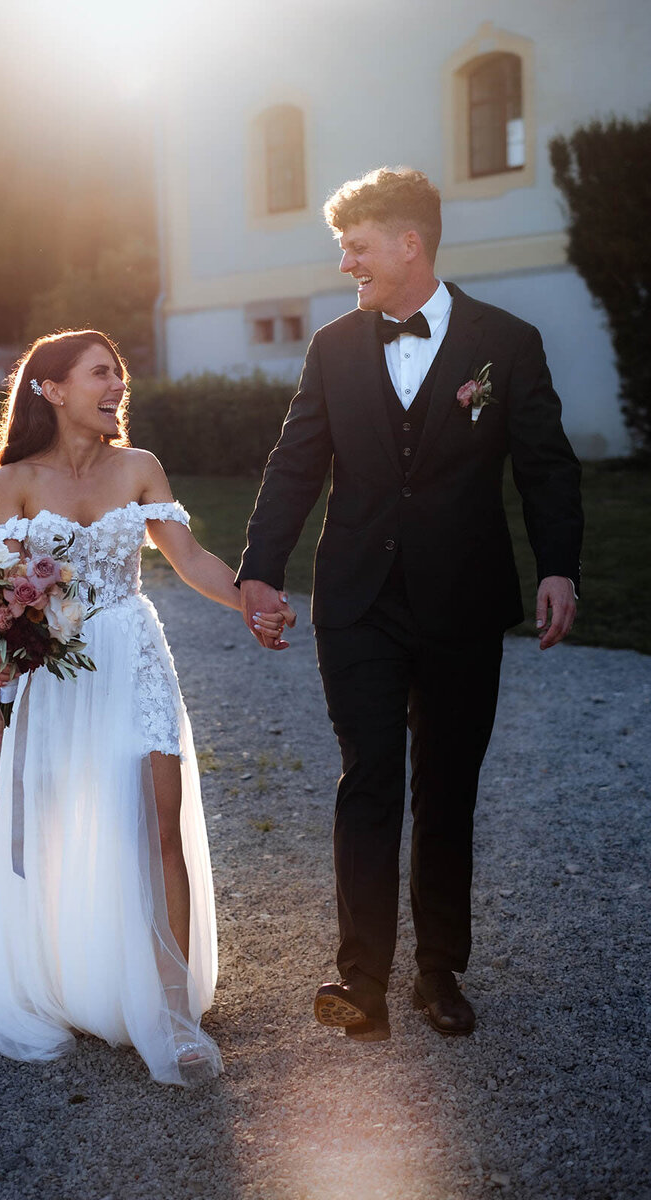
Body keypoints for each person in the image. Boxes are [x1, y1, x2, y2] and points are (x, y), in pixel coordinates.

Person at [237, 167, 583, 1042]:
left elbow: (544, 464)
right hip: (355, 600)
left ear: (409, 244)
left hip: (462, 602)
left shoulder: (509, 342)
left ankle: (438, 974)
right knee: (368, 781)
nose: (346, 262)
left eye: (356, 246)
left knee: (448, 789)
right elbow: (295, 465)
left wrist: (559, 566)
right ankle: (362, 982)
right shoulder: (332, 347)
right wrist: (259, 568)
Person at [0, 329, 289, 1086]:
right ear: (53, 388)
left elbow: (190, 558)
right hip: (52, 676)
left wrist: (249, 600)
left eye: (120, 376)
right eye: (101, 374)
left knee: (156, 826)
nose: (117, 387)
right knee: (55, 828)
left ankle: (173, 1016)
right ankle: (66, 979)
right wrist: (7, 669)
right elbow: (1, 599)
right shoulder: (13, 482)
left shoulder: (140, 468)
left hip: (133, 658)